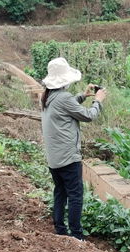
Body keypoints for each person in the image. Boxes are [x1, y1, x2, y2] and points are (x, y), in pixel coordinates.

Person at [41, 57, 106, 241]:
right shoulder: (64, 98)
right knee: (76, 195)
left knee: (60, 192)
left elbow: (66, 107)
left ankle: (60, 230)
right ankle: (77, 236)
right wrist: (98, 101)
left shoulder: (47, 96)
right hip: (68, 158)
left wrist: (83, 96)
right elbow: (88, 116)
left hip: (54, 159)